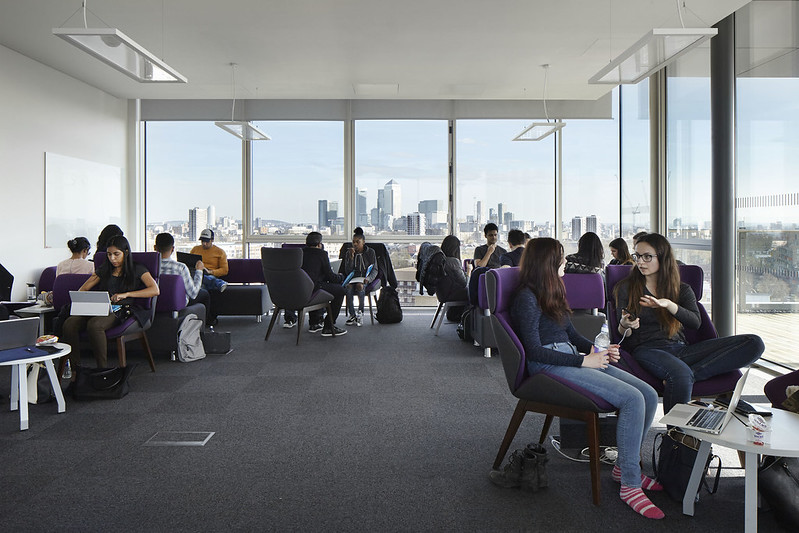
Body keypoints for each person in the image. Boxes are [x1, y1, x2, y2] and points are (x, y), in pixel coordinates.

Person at [505, 237, 664, 519]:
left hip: (569, 357)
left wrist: (595, 350)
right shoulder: (526, 298)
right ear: (547, 264)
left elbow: (570, 335)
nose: (565, 263)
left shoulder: (550, 290)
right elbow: (534, 352)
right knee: (631, 398)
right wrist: (584, 361)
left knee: (649, 394)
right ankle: (629, 482)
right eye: (561, 259)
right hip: (547, 368)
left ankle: (624, 467)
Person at [614, 233, 764, 414]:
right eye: (637, 256)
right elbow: (624, 334)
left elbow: (695, 322)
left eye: (647, 256)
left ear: (663, 257)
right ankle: (675, 438)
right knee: (680, 373)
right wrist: (625, 325)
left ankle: (690, 375)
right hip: (648, 350)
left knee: (754, 343)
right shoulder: (626, 288)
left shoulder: (682, 289)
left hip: (682, 350)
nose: (640, 262)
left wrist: (669, 304)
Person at [62, 235, 159, 375]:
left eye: (116, 254)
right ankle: (76, 370)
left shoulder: (137, 268)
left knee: (95, 325)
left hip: (122, 309)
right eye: (109, 254)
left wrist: (127, 294)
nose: (112, 258)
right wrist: (82, 297)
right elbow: (85, 287)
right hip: (101, 306)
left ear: (125, 252)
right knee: (69, 324)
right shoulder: (105, 268)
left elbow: (155, 290)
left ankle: (102, 370)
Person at [284, 232, 347, 336]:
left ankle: (315, 323)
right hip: (313, 288)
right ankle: (328, 326)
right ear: (319, 244)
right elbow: (330, 276)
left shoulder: (300, 253)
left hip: (298, 289)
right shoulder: (322, 254)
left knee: (317, 286)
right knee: (340, 290)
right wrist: (341, 277)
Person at [154, 232, 210, 313]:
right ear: (172, 249)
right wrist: (199, 271)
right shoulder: (181, 267)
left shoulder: (148, 266)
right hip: (176, 306)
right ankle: (208, 324)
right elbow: (193, 294)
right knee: (204, 294)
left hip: (155, 305)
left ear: (155, 247)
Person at [344, 227, 378, 327]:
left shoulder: (370, 252)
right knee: (349, 286)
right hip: (353, 278)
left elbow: (375, 269)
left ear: (363, 242)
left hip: (365, 278)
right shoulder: (349, 253)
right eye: (353, 242)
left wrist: (369, 279)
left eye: (357, 242)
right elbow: (347, 271)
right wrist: (351, 259)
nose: (355, 244)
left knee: (360, 285)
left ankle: (360, 312)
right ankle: (352, 315)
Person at [189, 229, 229, 293]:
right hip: (196, 272)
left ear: (212, 240)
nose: (204, 244)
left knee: (202, 283)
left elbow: (225, 270)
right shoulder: (195, 249)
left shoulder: (220, 252)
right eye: (202, 241)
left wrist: (211, 272)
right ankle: (218, 283)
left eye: (207, 241)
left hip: (209, 274)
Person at [438, 235, 471, 306]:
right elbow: (464, 283)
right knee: (477, 292)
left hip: (441, 294)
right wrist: (469, 270)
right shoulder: (453, 261)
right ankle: (472, 316)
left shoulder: (441, 260)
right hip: (451, 294)